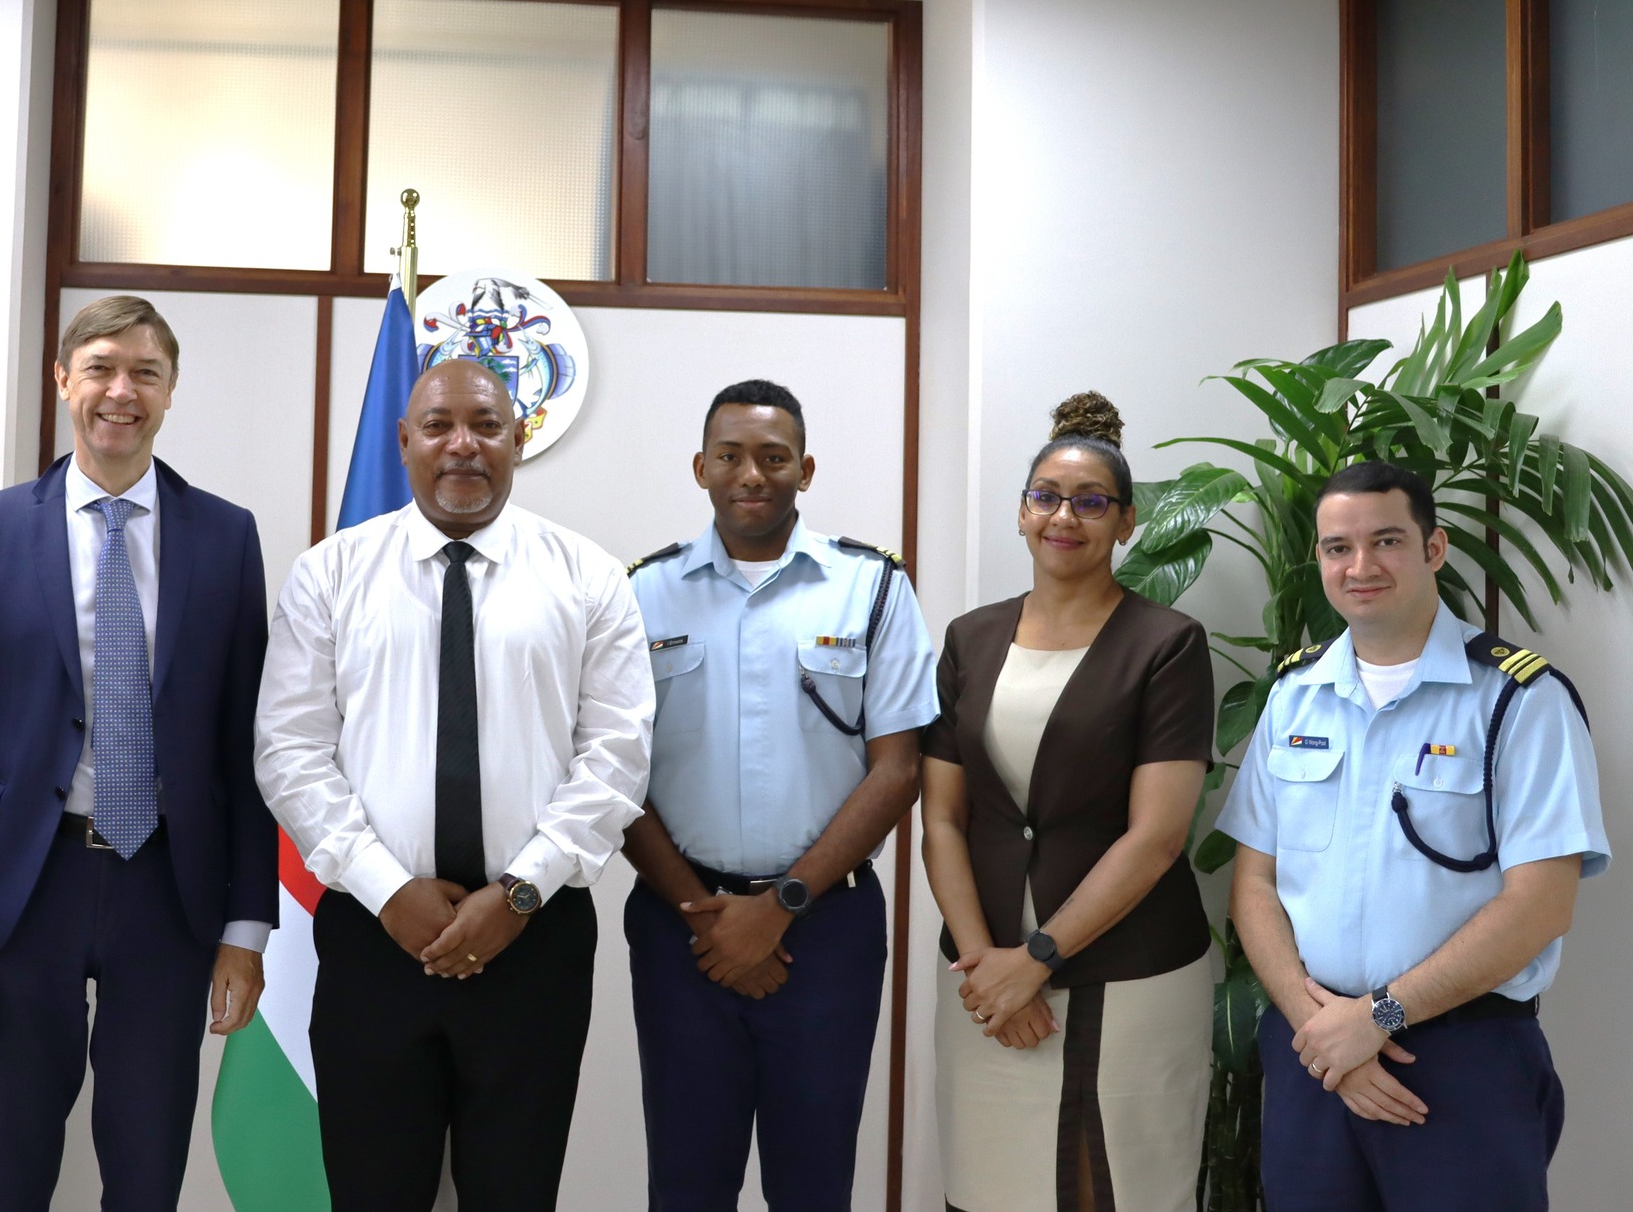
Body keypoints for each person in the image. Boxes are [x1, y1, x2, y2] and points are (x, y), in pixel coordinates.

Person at [255, 358, 653, 1212]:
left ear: (519, 438)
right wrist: (386, 887)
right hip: (374, 937)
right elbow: (290, 750)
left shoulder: (588, 577)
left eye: (485, 424)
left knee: (515, 1193)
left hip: (534, 940)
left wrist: (519, 891)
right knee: (373, 1194)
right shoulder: (330, 573)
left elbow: (617, 755)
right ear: (404, 440)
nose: (462, 444)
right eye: (438, 425)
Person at [0, 295, 276, 1212]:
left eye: (145, 373)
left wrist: (246, 929)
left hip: (168, 889)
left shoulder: (227, 535)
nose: (123, 391)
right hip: (24, 891)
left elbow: (245, 745)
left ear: (170, 390)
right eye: (102, 369)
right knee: (8, 1169)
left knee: (147, 1169)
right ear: (63, 379)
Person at [1217, 460, 1608, 1212]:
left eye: (1386, 540)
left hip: (1461, 1060)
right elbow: (1254, 881)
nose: (1360, 565)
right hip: (1312, 1053)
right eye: (1338, 547)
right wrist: (1322, 1028)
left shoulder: (1519, 699)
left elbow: (1541, 905)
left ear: (1434, 548)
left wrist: (1377, 1018)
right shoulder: (1294, 696)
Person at [621, 379, 934, 1211]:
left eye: (773, 456)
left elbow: (897, 769)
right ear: (701, 467)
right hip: (681, 928)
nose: (751, 474)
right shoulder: (640, 593)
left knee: (814, 1184)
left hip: (826, 929)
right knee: (686, 1184)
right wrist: (707, 918)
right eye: (729, 455)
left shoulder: (871, 586)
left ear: (806, 468)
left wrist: (779, 906)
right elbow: (614, 775)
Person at [922, 393, 1215, 1212]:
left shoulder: (1167, 644)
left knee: (1111, 1184)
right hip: (983, 979)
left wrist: (1038, 959)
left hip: (1130, 975)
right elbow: (941, 817)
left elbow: (1157, 836)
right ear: (1022, 512)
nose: (1064, 516)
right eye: (1046, 496)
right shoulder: (970, 638)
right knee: (991, 1188)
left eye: (1091, 502)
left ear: (1126, 522)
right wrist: (985, 966)